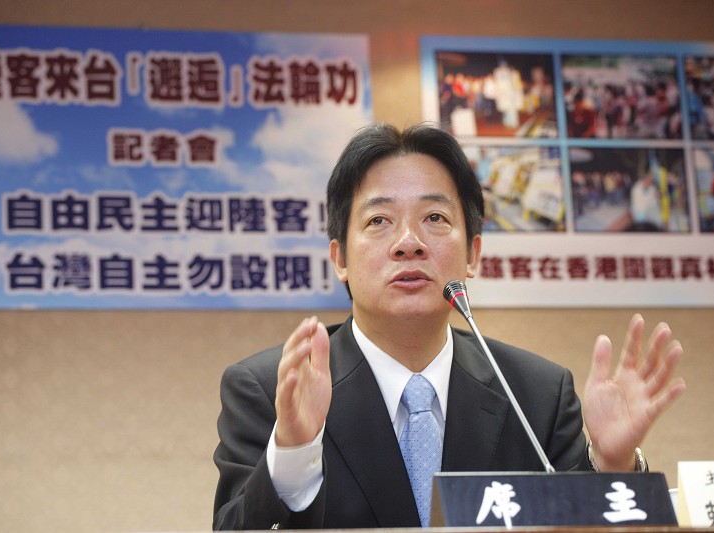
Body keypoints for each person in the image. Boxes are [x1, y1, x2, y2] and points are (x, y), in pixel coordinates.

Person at [212, 123, 686, 530]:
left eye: (435, 217)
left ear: (473, 254)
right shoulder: (271, 390)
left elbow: (579, 526)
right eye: (379, 220)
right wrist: (294, 450)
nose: (409, 243)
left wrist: (613, 464)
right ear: (340, 259)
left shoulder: (537, 394)